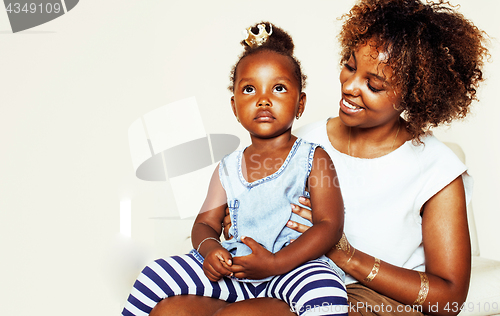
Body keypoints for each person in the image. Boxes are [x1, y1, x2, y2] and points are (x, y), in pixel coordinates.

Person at [147, 0, 489, 315]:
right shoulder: (300, 141)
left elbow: (450, 298)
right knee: (170, 310)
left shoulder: (436, 168)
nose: (351, 86)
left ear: (414, 95)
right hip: (277, 280)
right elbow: (236, 202)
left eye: (374, 84)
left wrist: (348, 257)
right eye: (349, 66)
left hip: (369, 298)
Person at [122, 22, 349, 316]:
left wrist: (276, 263)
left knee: (326, 291)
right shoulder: (227, 168)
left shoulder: (313, 159)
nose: (263, 99)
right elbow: (204, 225)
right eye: (249, 89)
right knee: (155, 274)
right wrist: (210, 250)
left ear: (300, 103)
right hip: (235, 271)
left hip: (293, 268)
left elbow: (330, 225)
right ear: (234, 106)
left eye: (278, 88)